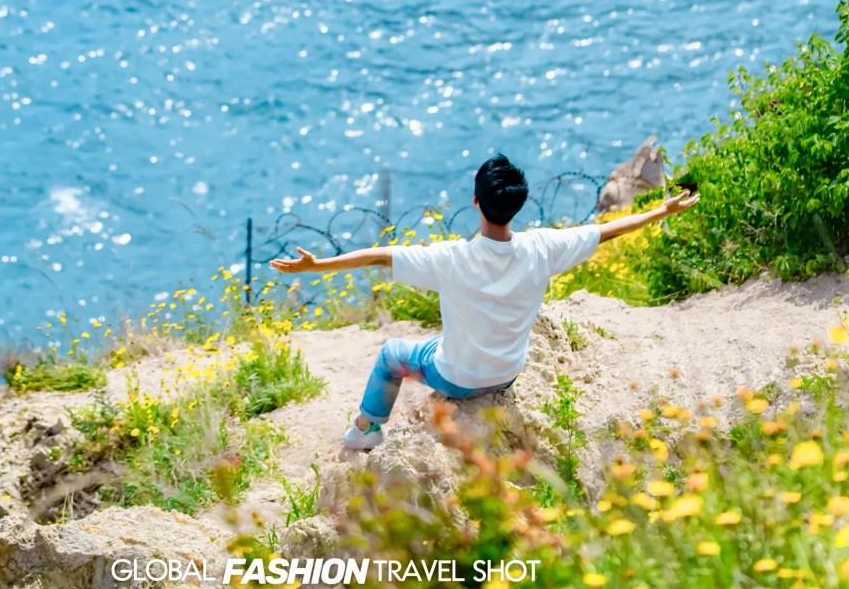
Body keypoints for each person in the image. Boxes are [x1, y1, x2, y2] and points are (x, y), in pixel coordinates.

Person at [269, 153, 699, 450]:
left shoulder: (451, 259)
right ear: (518, 204)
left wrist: (318, 265)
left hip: (455, 377)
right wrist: (664, 210)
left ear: (476, 202)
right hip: (507, 373)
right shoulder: (543, 249)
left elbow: (380, 256)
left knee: (390, 354)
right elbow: (609, 231)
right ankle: (370, 427)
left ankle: (365, 431)